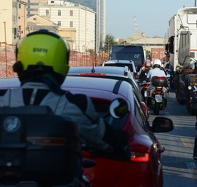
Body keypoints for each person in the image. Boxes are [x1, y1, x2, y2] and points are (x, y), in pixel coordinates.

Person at [0, 30, 128, 182]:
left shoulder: (2, 99)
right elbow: (106, 142)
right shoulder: (75, 105)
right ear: (62, 65)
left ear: (19, 63)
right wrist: (120, 141)